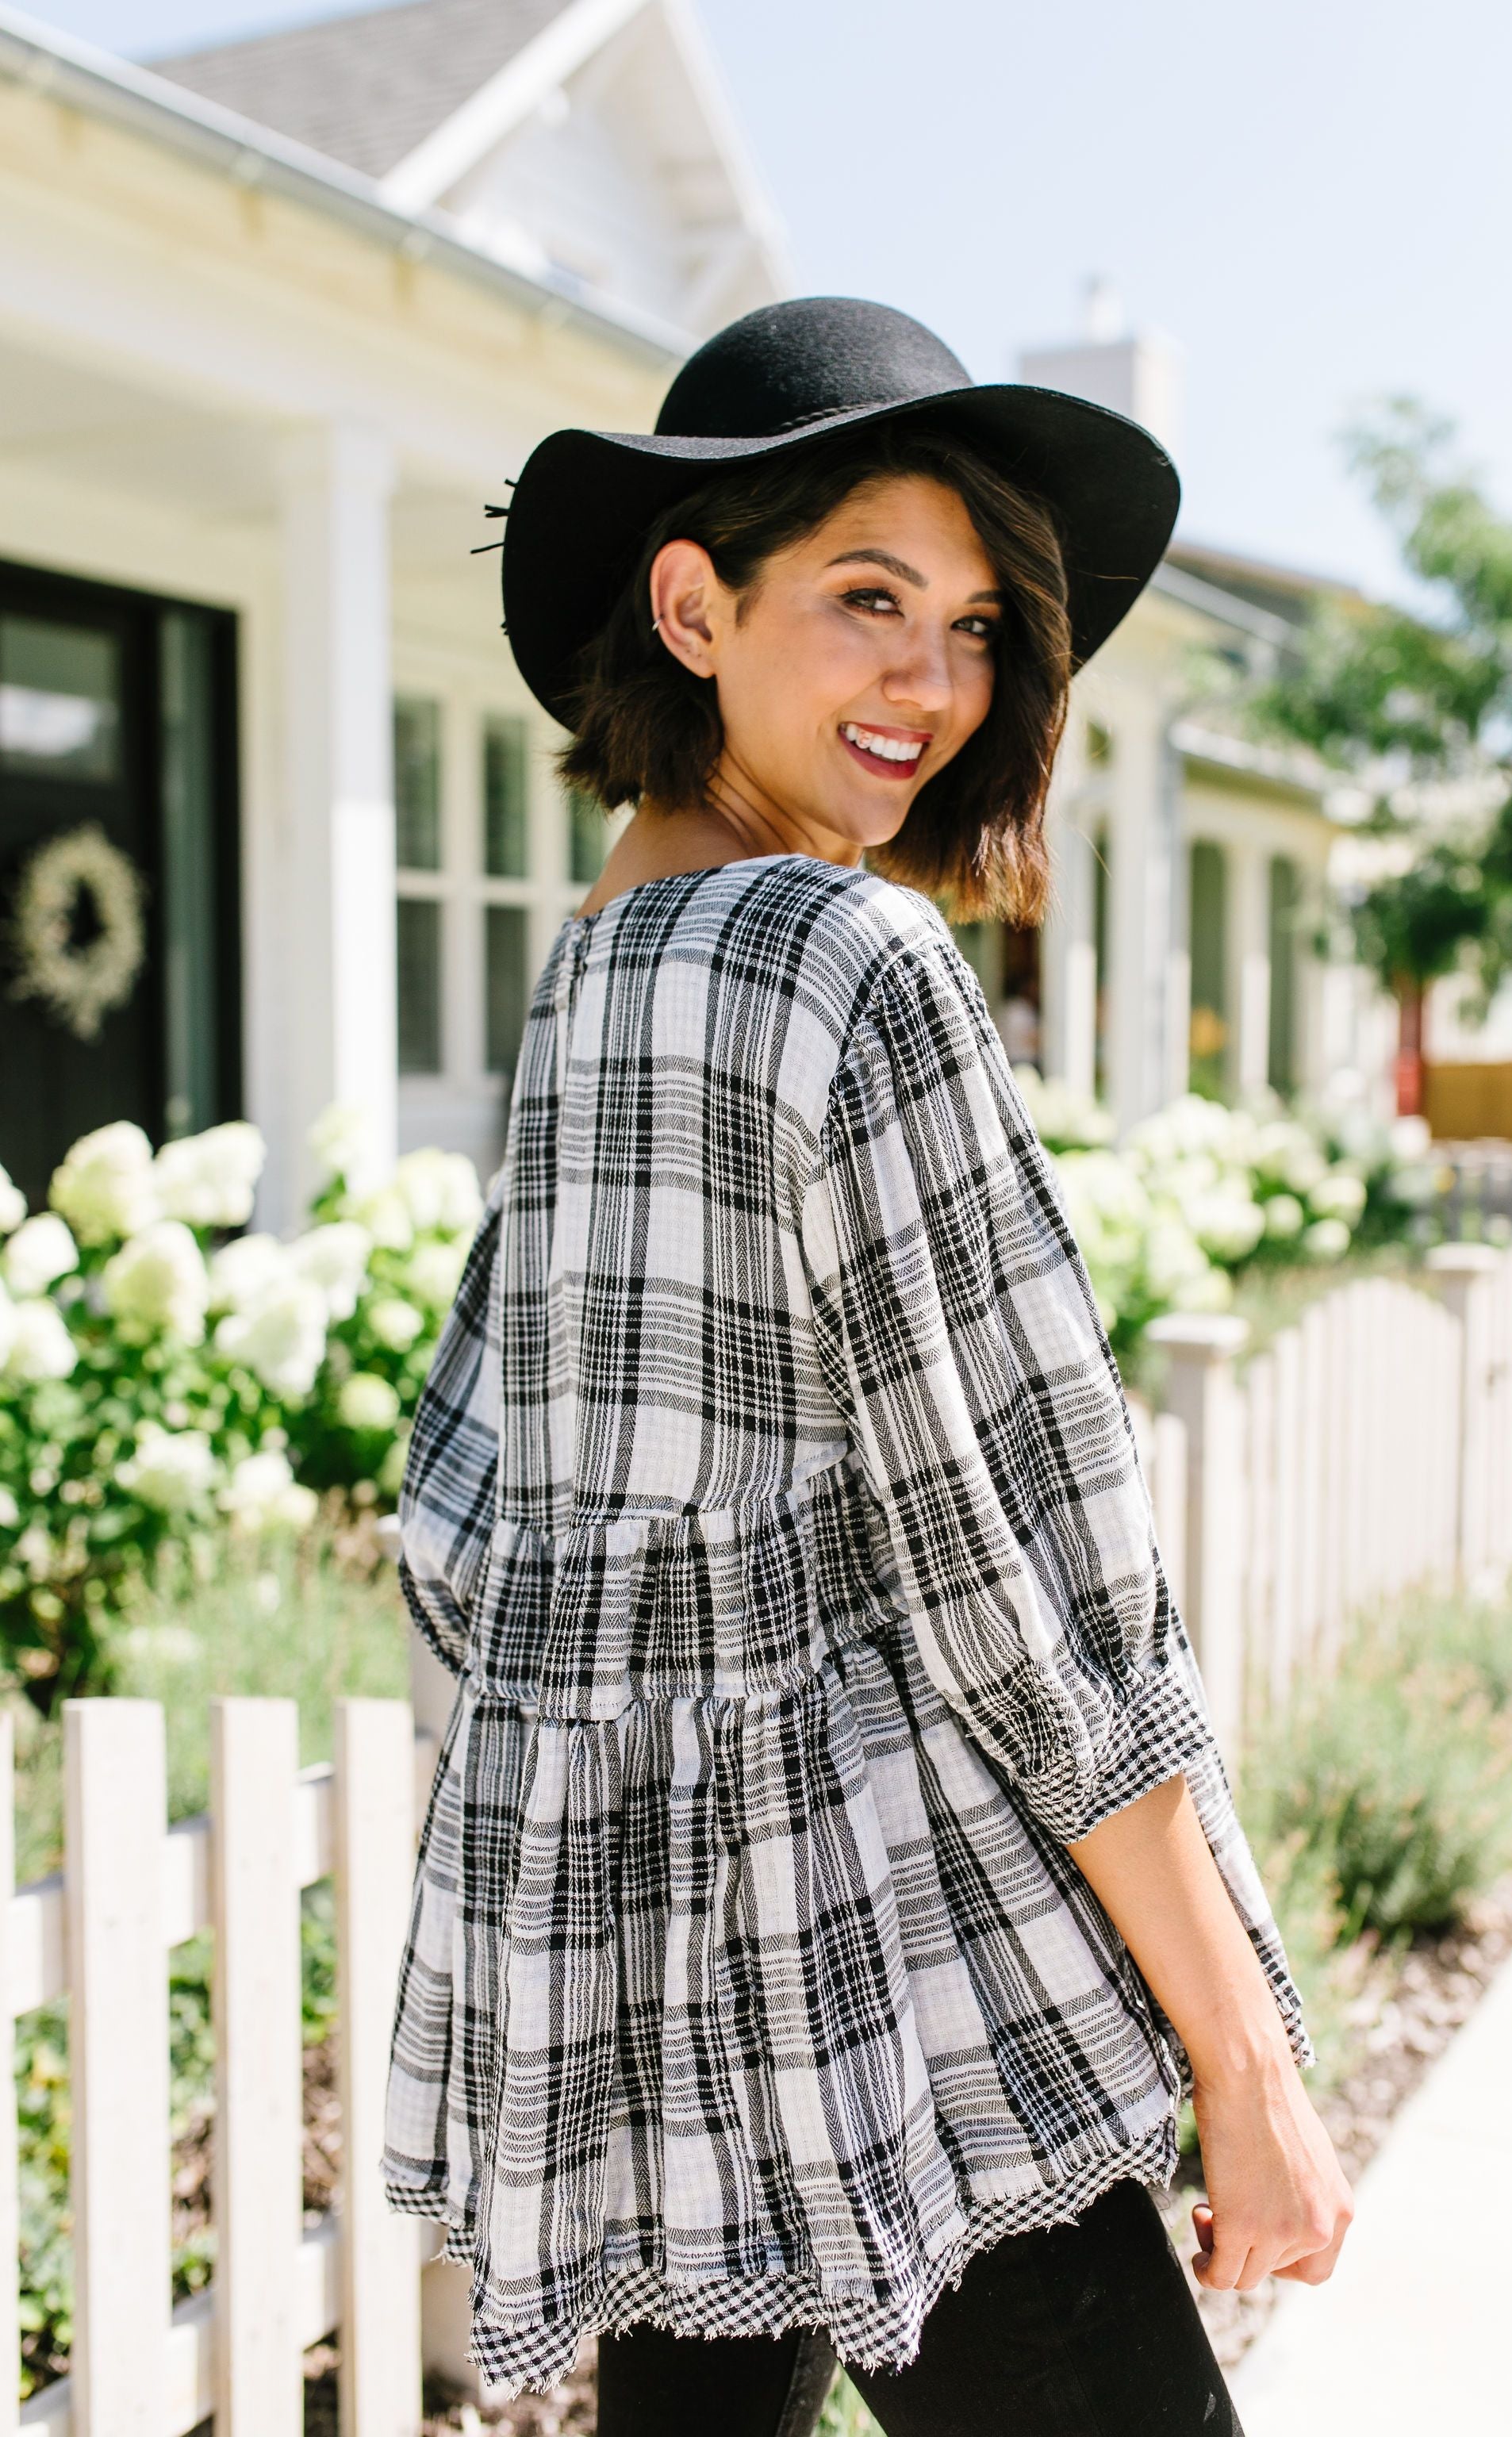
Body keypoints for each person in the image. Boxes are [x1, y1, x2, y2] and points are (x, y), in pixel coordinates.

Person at [382, 297, 1352, 2436]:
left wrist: (635, 1783)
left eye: (981, 621)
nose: (934, 680)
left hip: (649, 1985)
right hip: (901, 1982)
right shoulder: (854, 957)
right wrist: (1247, 2062)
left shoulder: (592, 981)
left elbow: (459, 1524)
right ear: (693, 603)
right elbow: (1033, 1587)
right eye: (868, 600)